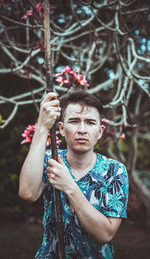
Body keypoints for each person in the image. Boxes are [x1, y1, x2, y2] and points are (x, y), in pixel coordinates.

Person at [19, 89, 129, 259]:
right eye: (74, 121)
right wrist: (42, 126)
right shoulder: (51, 160)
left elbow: (105, 234)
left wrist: (69, 185)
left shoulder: (115, 171)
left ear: (100, 132)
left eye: (90, 123)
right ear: (61, 129)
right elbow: (27, 192)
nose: (82, 130)